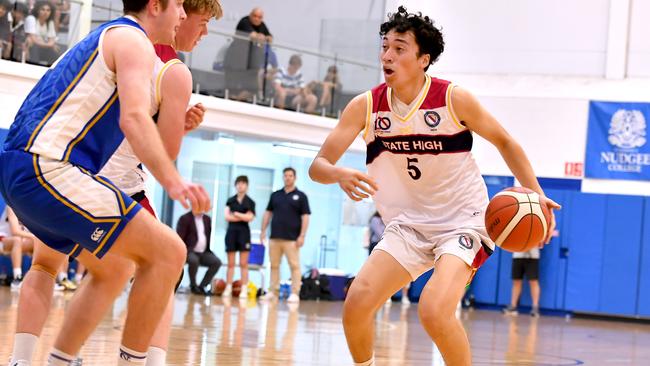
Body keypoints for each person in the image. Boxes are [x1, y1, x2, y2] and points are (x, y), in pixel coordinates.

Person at [308, 7, 560, 366]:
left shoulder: (452, 99)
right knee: (357, 303)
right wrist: (338, 174)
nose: (387, 56)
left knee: (434, 309)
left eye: (399, 48)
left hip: (463, 221)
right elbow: (318, 166)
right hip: (409, 225)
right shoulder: (366, 107)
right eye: (385, 47)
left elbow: (505, 142)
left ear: (423, 59)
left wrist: (535, 193)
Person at [5, 1, 223, 364]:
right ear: (155, 6)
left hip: (26, 167)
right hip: (53, 170)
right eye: (182, 10)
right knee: (169, 254)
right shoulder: (137, 43)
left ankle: (48, 360)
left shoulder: (102, 37)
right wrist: (174, 183)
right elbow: (134, 119)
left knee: (115, 267)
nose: (185, 16)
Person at [261, 167, 311, 303]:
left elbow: (305, 217)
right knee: (274, 265)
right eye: (285, 176)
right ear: (283, 177)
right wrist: (263, 231)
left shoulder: (301, 196)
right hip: (275, 237)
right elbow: (268, 213)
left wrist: (302, 235)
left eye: (290, 176)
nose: (288, 178)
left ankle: (295, 293)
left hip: (292, 239)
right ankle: (273, 292)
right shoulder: (275, 195)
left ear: (295, 178)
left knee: (294, 266)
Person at [223, 175, 256, 299]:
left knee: (243, 263)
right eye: (238, 183)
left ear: (247, 186)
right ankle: (228, 287)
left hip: (244, 234)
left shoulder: (250, 202)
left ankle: (244, 288)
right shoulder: (230, 200)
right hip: (231, 233)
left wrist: (236, 213)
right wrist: (243, 215)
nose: (240, 185)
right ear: (235, 185)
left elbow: (250, 217)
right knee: (231, 263)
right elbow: (227, 216)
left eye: (243, 183)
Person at [177, 209, 222, 295]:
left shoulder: (207, 219)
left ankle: (202, 286)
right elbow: (180, 238)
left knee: (217, 262)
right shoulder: (184, 218)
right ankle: (193, 285)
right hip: (189, 251)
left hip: (204, 252)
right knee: (194, 261)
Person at [0, 205, 35, 290]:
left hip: (20, 241)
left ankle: (37, 279)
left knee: (41, 244)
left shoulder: (31, 209)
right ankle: (17, 277)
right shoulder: (11, 206)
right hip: (3, 239)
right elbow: (15, 231)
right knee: (17, 240)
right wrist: (34, 237)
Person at [503, 248, 541, 317]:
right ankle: (513, 306)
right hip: (517, 254)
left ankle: (535, 307)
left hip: (532, 256)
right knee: (516, 281)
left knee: (533, 281)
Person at [25, 0, 61, 65]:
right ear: (37, 10)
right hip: (30, 46)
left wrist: (49, 44)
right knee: (33, 45)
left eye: (48, 10)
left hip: (42, 45)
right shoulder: (31, 18)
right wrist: (49, 44)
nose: (45, 12)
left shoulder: (50, 22)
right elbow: (33, 40)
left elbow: (52, 41)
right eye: (43, 9)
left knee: (55, 51)